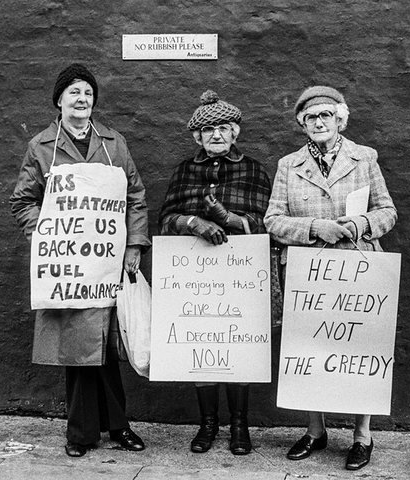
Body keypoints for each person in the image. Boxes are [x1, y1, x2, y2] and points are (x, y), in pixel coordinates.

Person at [10, 63, 150, 458]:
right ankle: (81, 433)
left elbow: (134, 195)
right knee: (77, 351)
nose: (82, 99)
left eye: (88, 93)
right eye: (74, 92)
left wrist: (134, 245)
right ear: (59, 100)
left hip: (106, 263)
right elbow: (22, 201)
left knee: (105, 349)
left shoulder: (113, 142)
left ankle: (119, 427)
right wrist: (47, 232)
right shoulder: (41, 146)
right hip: (71, 267)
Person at [264, 86, 397, 470]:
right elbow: (273, 221)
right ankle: (315, 431)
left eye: (326, 116)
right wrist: (315, 227)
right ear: (301, 125)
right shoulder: (289, 165)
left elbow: (387, 211)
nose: (319, 122)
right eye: (311, 118)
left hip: (358, 270)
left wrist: (359, 223)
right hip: (310, 275)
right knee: (309, 351)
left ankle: (362, 436)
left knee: (360, 351)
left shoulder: (364, 158)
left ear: (340, 119)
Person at [159, 90, 271, 455]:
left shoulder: (253, 170)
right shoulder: (184, 171)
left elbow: (267, 223)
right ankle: (208, 425)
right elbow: (166, 220)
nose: (217, 135)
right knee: (202, 348)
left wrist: (229, 219)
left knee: (237, 350)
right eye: (209, 130)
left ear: (236, 132)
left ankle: (240, 426)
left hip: (239, 277)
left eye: (224, 128)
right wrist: (193, 222)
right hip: (196, 280)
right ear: (198, 137)